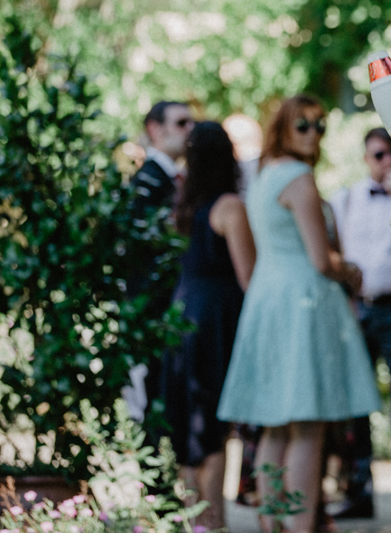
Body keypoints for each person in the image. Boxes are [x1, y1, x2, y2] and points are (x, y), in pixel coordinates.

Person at [217, 94, 380, 533]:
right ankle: (301, 526)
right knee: (307, 427)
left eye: (319, 123)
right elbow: (322, 260)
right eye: (302, 124)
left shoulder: (265, 175)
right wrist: (352, 272)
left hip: (269, 302)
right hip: (302, 304)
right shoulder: (299, 179)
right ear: (283, 128)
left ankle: (274, 523)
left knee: (275, 425)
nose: (313, 132)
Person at [328, 127, 391, 526]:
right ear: (366, 158)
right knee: (356, 404)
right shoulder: (345, 198)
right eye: (378, 155)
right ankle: (358, 491)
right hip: (356, 308)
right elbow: (331, 251)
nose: (386, 162)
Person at [161, 121, 255, 531]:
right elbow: (248, 277)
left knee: (188, 430)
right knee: (214, 428)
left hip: (180, 316)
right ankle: (213, 524)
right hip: (216, 320)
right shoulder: (229, 207)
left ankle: (194, 524)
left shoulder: (181, 208)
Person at [124, 99, 194, 422]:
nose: (189, 130)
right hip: (153, 313)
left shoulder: (173, 180)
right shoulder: (147, 183)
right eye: (181, 123)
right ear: (155, 129)